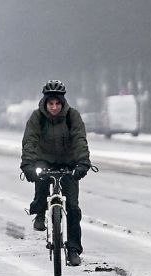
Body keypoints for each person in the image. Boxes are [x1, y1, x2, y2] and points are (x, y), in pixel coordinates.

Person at [20, 80, 91, 266]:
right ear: (45, 103)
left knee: (73, 207)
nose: (53, 107)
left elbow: (79, 139)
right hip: (44, 160)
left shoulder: (72, 116)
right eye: (50, 103)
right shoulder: (37, 118)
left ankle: (74, 249)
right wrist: (28, 165)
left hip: (68, 163)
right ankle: (40, 213)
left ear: (62, 103)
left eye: (57, 104)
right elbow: (29, 140)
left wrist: (83, 163)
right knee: (41, 182)